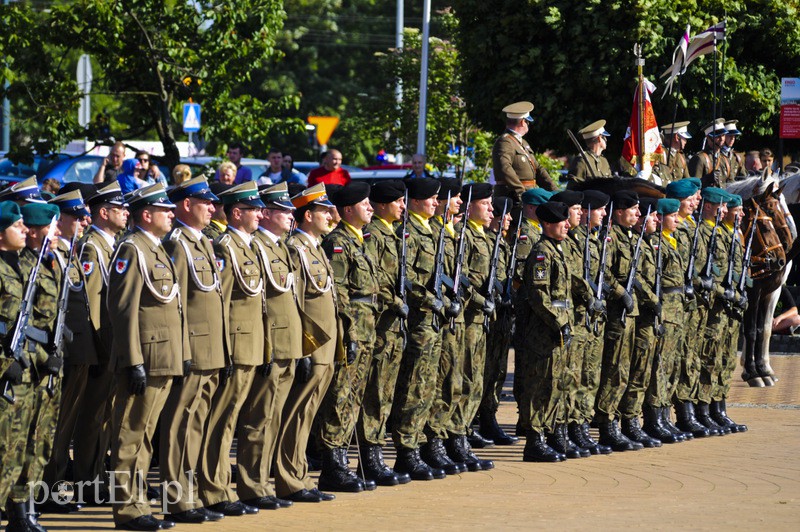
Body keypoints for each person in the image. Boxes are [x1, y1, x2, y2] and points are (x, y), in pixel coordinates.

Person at [106, 183, 188, 531]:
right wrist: (132, 360)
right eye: (164, 209)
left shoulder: (154, 249)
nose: (171, 214)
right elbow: (122, 309)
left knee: (145, 436)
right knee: (129, 434)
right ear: (146, 214)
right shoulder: (132, 249)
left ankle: (139, 504)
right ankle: (126, 509)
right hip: (145, 357)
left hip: (163, 355)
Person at [158, 177, 226, 524]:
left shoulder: (203, 242)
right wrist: (182, 350)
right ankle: (176, 498)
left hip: (211, 348)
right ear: (186, 204)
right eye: (206, 202)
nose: (213, 208)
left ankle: (192, 493)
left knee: (197, 422)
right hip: (193, 349)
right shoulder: (177, 244)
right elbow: (177, 304)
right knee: (179, 424)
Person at [200, 181, 265, 517]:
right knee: (222, 421)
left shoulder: (248, 245)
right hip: (236, 344)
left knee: (233, 419)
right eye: (254, 209)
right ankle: (214, 487)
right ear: (237, 213)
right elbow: (221, 302)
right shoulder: (226, 246)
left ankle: (223, 485)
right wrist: (224, 350)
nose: (261, 214)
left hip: (251, 342)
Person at [316, 181, 378, 492]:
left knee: (354, 398)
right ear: (348, 210)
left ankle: (343, 461)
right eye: (364, 203)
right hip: (352, 329)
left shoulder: (359, 241)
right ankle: (333, 465)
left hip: (367, 328)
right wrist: (348, 332)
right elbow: (338, 292)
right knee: (340, 398)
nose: (370, 207)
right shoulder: (338, 243)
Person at [279, 184, 340, 501]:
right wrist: (301, 347)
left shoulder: (315, 246)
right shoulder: (295, 248)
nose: (332, 215)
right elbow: (296, 301)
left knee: (308, 414)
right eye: (324, 210)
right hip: (311, 344)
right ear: (307, 215)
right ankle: (290, 479)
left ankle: (299, 474)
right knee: (297, 413)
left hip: (325, 344)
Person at [71, 181, 130, 504]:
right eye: (118, 208)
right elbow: (93, 304)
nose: (125, 212)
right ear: (103, 212)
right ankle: (86, 481)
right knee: (92, 418)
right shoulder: (93, 247)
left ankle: (96, 477)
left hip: (112, 346)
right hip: (102, 346)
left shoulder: (112, 244)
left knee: (105, 417)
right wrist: (97, 350)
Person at [41, 188, 98, 514]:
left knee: (66, 427)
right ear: (59, 219)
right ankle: (49, 490)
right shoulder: (52, 253)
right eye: (77, 217)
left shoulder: (69, 252)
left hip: (77, 351)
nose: (83, 221)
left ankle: (56, 487)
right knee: (56, 427)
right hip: (60, 352)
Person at [390, 177, 449, 480]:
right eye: (431, 199)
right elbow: (408, 279)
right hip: (418, 323)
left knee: (429, 386)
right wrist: (432, 299)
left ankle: (424, 444)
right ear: (415, 202)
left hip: (432, 323)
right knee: (414, 387)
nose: (436, 203)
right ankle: (406, 450)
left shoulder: (430, 230)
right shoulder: (408, 233)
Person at [356, 180, 411, 486]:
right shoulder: (373, 235)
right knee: (374, 393)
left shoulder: (391, 233)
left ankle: (376, 453)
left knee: (385, 392)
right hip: (378, 327)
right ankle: (369, 457)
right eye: (397, 202)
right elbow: (374, 280)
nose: (402, 206)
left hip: (392, 328)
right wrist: (396, 301)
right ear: (381, 206)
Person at [519, 201, 573, 462]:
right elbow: (539, 295)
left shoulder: (556, 250)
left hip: (557, 326)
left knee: (555, 383)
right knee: (539, 384)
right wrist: (558, 322)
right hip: (544, 329)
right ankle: (534, 440)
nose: (568, 225)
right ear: (549, 224)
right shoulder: (541, 253)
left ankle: (550, 433)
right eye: (562, 222)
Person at [595, 190, 644, 452]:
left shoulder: (629, 237)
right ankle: (606, 425)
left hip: (631, 314)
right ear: (619, 212)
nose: (638, 214)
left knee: (626, 370)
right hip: (617, 314)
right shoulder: (610, 238)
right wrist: (621, 293)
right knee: (614, 370)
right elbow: (605, 272)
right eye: (633, 210)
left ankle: (624, 422)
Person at [641, 198, 687, 445]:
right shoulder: (655, 244)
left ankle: (664, 416)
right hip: (664, 310)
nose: (677, 220)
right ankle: (653, 418)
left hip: (675, 311)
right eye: (672, 216)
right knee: (659, 365)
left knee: (671, 365)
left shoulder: (671, 242)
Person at [0, 201, 34, 529]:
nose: (25, 229)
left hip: (23, 370)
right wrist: (2, 364)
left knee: (20, 447)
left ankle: (20, 514)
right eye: (17, 225)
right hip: (3, 374)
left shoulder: (21, 265)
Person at [477, 195, 519, 446]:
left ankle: (489, 416)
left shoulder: (502, 243)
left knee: (498, 370)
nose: (510, 219)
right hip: (487, 316)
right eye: (505, 214)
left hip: (501, 316)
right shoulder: (486, 241)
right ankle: (481, 418)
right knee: (484, 370)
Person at [512, 186, 552, 434]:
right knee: (530, 367)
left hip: (536, 309)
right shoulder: (526, 235)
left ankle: (530, 420)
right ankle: (527, 420)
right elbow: (518, 274)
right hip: (529, 308)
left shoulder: (539, 232)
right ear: (532, 208)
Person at [491, 101, 556, 204]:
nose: (528, 125)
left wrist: (554, 191)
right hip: (513, 199)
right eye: (527, 122)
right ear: (522, 122)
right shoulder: (505, 141)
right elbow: (505, 168)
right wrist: (521, 193)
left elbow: (537, 168)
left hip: (527, 196)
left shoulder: (521, 142)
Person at [688, 119, 729, 187]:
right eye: (718, 136)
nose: (721, 139)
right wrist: (706, 179)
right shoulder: (700, 158)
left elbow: (730, 182)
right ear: (708, 137)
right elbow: (693, 186)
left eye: (723, 135)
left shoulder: (724, 159)